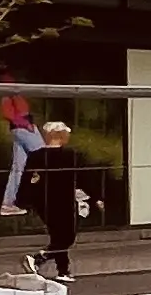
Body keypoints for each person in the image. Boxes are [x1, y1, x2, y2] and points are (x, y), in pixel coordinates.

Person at [21, 120, 102, 284]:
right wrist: (95, 197)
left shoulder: (36, 156)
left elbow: (27, 180)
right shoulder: (70, 155)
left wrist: (23, 200)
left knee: (59, 235)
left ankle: (61, 269)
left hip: (44, 201)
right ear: (62, 136)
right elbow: (84, 179)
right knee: (67, 236)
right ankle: (44, 259)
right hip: (64, 200)